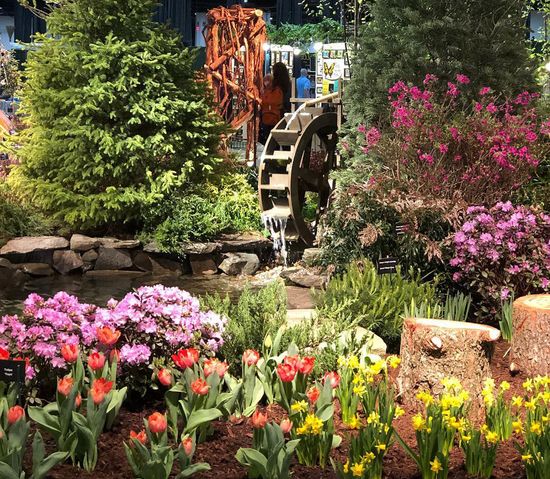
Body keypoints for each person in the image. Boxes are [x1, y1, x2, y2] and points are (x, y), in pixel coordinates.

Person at [259, 73, 283, 145]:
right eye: (265, 80)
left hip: (274, 118)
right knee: (267, 137)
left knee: (274, 139)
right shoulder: (263, 91)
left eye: (268, 80)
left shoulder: (277, 91)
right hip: (265, 119)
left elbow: (276, 102)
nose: (267, 83)